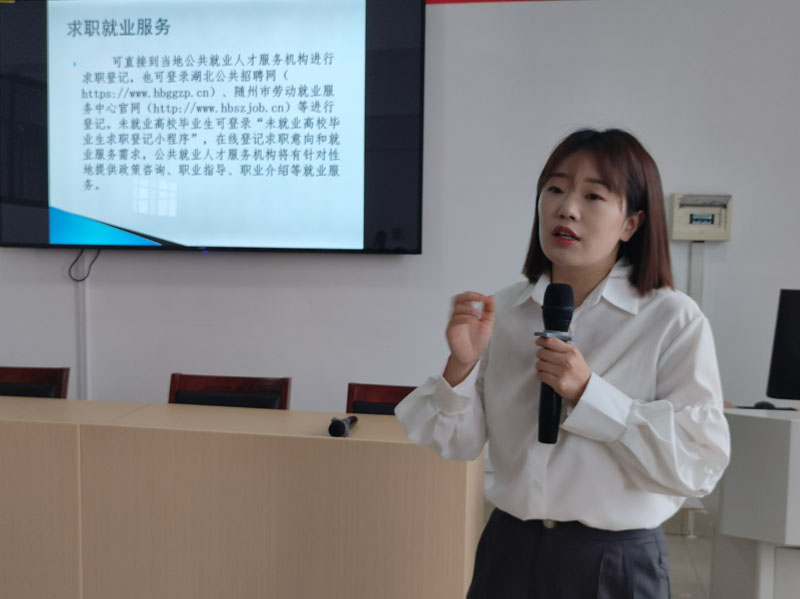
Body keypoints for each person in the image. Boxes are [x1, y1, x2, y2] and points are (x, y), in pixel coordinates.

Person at [395, 128, 731, 599]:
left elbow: (699, 462)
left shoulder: (671, 318)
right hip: (509, 549)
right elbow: (458, 444)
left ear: (630, 223)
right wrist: (461, 367)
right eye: (555, 189)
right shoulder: (504, 311)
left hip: (614, 561)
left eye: (593, 196)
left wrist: (590, 394)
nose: (567, 208)